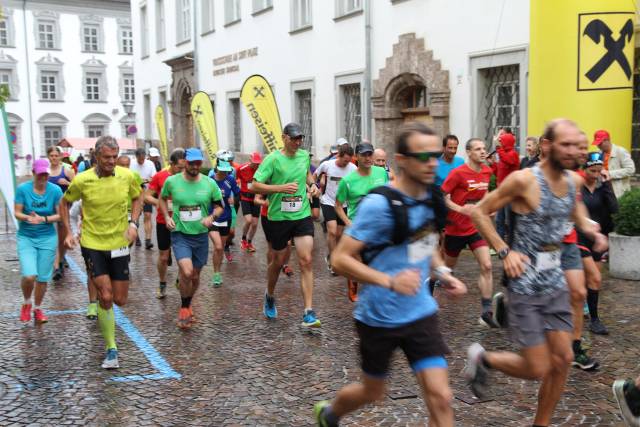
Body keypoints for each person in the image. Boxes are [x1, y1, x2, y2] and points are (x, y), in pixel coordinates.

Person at [314, 122, 467, 427]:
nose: (433, 163)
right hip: (378, 316)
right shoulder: (377, 204)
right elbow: (342, 259)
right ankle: (330, 414)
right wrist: (389, 281)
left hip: (420, 312)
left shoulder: (429, 198)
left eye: (435, 155)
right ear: (403, 159)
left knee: (441, 397)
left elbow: (424, 243)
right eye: (423, 156)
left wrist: (443, 272)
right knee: (373, 391)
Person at [465, 119, 607, 426]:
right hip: (525, 286)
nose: (573, 151)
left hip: (554, 282)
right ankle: (484, 358)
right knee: (537, 367)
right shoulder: (523, 180)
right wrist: (504, 250)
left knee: (564, 359)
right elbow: (479, 212)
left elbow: (573, 209)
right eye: (566, 145)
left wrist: (588, 227)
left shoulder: (573, 180)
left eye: (577, 145)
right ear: (548, 145)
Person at [61, 136, 143, 369]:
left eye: (114, 157)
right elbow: (64, 204)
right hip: (92, 244)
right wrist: (68, 232)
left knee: (120, 299)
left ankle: (106, 318)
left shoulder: (127, 176)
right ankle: (111, 348)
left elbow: (138, 198)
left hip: (119, 244)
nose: (111, 161)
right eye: (106, 157)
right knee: (105, 296)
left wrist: (133, 223)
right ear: (96, 156)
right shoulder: (83, 180)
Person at [252, 122, 322, 328]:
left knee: (306, 260)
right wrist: (280, 188)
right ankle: (270, 294)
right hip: (278, 217)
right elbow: (254, 185)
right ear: (284, 137)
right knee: (279, 260)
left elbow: (308, 176)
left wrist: (313, 186)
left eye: (300, 138)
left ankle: (308, 312)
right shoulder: (272, 159)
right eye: (294, 138)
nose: (298, 142)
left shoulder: (303, 156)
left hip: (301, 215)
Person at [159, 148, 223, 329]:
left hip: (200, 236)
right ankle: (185, 307)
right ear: (185, 162)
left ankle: (187, 302)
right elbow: (162, 199)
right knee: (187, 272)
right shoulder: (172, 181)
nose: (195, 166)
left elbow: (219, 206)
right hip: (180, 234)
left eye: (198, 163)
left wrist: (211, 217)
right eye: (191, 163)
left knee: (195, 276)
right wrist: (167, 217)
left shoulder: (209, 184)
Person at [441, 138, 497, 327]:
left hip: (476, 227)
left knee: (487, 265)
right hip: (455, 229)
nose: (483, 152)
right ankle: (426, 299)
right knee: (445, 271)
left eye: (484, 148)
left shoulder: (488, 171)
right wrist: (459, 209)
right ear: (469, 153)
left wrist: (488, 206)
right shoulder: (457, 174)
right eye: (478, 149)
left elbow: (486, 193)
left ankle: (486, 311)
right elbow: (443, 197)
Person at [335, 142, 389, 302]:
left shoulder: (381, 173)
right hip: (358, 226)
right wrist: (348, 223)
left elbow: (387, 195)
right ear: (356, 157)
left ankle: (374, 295)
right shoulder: (348, 181)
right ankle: (353, 283)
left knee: (377, 263)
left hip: (379, 226)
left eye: (369, 154)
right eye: (364, 155)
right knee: (360, 263)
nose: (367, 158)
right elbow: (338, 206)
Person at [15, 159, 63, 324]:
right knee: (29, 276)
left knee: (42, 278)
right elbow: (17, 213)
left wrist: (43, 218)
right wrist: (29, 217)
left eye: (46, 174)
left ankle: (38, 308)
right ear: (34, 173)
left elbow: (60, 214)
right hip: (26, 237)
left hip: (47, 238)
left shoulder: (55, 190)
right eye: (40, 174)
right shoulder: (23, 189)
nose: (43, 177)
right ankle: (26, 302)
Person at [577, 152, 618, 336]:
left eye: (598, 170)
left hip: (599, 240)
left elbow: (614, 209)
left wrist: (608, 183)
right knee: (595, 277)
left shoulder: (603, 188)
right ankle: (593, 318)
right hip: (580, 237)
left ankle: (590, 314)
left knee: (593, 280)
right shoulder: (577, 188)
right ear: (584, 169)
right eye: (592, 170)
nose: (595, 174)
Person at [145, 148, 186, 299]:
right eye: (179, 167)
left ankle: (180, 279)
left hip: (183, 222)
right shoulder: (160, 177)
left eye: (184, 167)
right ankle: (162, 283)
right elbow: (147, 197)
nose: (182, 170)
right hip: (164, 222)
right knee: (164, 257)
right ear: (171, 164)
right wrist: (160, 202)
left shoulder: (187, 177)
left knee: (183, 255)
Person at [313, 144, 356, 275]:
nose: (346, 163)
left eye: (349, 161)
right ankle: (333, 261)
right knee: (331, 231)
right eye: (344, 160)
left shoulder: (353, 168)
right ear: (338, 155)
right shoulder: (327, 165)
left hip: (344, 205)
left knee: (339, 235)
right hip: (328, 202)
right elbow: (314, 175)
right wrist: (314, 186)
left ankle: (332, 255)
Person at [208, 160, 240, 287]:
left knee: (220, 248)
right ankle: (215, 273)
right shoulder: (209, 180)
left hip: (226, 217)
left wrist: (234, 199)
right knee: (218, 247)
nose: (226, 173)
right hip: (212, 217)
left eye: (227, 171)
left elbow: (238, 193)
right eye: (223, 170)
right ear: (218, 169)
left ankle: (218, 272)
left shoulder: (230, 179)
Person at [47, 146, 75, 282]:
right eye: (51, 155)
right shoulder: (45, 172)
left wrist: (67, 183)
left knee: (61, 236)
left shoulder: (67, 170)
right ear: (48, 157)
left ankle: (61, 256)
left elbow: (78, 187)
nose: (53, 158)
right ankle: (57, 266)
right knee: (53, 237)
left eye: (55, 155)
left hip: (64, 208)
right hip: (48, 209)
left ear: (60, 157)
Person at [490, 132, 520, 240]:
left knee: (509, 220)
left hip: (510, 193)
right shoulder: (503, 154)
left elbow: (509, 160)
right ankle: (500, 244)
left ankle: (512, 244)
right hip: (501, 192)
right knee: (499, 219)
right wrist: (493, 164)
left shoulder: (513, 154)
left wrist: (498, 148)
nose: (499, 144)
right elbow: (499, 171)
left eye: (501, 142)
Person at [255, 194, 294, 277]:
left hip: (285, 216)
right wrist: (267, 203)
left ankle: (285, 265)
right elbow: (256, 200)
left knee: (289, 243)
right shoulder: (266, 181)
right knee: (271, 246)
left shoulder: (288, 181)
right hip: (268, 216)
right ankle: (270, 270)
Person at [592, 129, 636, 198]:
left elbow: (631, 169)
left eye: (600, 143)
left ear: (607, 140)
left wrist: (609, 173)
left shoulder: (621, 151)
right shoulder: (598, 153)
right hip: (603, 191)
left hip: (619, 192)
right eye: (597, 144)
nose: (598, 146)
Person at [130, 147, 157, 249]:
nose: (141, 161)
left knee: (148, 215)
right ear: (136, 157)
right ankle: (136, 237)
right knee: (135, 216)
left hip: (146, 193)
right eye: (139, 159)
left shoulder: (150, 164)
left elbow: (154, 178)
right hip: (135, 194)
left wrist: (146, 180)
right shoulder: (131, 164)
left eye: (143, 159)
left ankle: (148, 240)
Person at [237, 152, 263, 253]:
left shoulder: (261, 170)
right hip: (245, 198)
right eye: (254, 163)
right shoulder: (241, 168)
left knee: (255, 224)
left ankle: (249, 242)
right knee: (248, 220)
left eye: (258, 163)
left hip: (256, 198)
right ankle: (243, 239)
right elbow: (235, 178)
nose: (256, 165)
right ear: (250, 160)